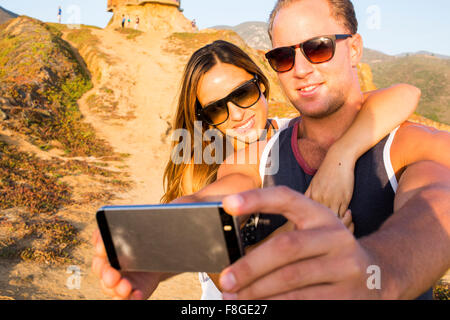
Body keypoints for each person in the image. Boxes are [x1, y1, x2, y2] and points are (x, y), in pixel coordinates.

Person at [92, 37, 429, 299]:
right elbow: (230, 277)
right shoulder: (203, 170)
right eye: (217, 109)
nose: (237, 113)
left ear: (261, 84)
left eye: (243, 93)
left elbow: (404, 93)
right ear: (204, 119)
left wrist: (340, 156)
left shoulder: (297, 134)